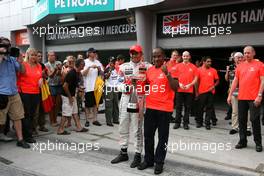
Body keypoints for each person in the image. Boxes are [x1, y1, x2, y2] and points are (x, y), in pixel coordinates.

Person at [137, 47, 178, 174]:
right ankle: (149, 160)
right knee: (148, 136)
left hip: (165, 110)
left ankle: (159, 162)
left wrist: (167, 74)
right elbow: (143, 87)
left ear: (163, 56)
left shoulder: (171, 68)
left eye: (158, 56)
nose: (156, 59)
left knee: (162, 138)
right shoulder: (149, 71)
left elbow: (176, 87)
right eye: (154, 56)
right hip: (150, 108)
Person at [111, 44, 152, 168]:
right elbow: (117, 83)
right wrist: (125, 87)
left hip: (139, 99)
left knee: (137, 128)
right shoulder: (123, 67)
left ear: (141, 54)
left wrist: (140, 88)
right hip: (125, 98)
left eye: (136, 53)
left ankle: (138, 154)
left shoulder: (147, 67)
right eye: (132, 53)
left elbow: (151, 85)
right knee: (123, 125)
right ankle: (123, 152)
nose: (134, 55)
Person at [227, 46, 264, 152]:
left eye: (248, 53)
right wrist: (230, 95)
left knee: (254, 120)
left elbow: (263, 81)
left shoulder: (260, 65)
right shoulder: (240, 66)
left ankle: (258, 143)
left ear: (253, 53)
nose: (246, 55)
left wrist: (260, 95)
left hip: (254, 98)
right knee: (241, 120)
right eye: (245, 53)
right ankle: (242, 141)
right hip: (241, 97)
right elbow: (235, 81)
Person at [0, 37, 30, 148]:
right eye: (4, 45)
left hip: (14, 93)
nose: (7, 47)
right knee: (1, 121)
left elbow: (22, 71)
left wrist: (21, 61)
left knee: (18, 117)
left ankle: (20, 139)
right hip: (1, 94)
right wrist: (1, 54)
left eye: (8, 45)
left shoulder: (12, 59)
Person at [18, 48, 43, 143]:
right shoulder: (23, 65)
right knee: (26, 114)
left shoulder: (39, 66)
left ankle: (28, 132)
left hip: (35, 92)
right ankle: (27, 136)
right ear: (27, 55)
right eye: (32, 55)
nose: (34, 57)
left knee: (32, 114)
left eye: (35, 55)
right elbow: (18, 76)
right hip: (24, 92)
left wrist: (41, 80)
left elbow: (40, 77)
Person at [57, 59, 88, 135]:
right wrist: (70, 97)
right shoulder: (72, 73)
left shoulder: (77, 73)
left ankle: (79, 127)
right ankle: (60, 130)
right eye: (83, 64)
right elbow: (65, 86)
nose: (84, 66)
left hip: (72, 95)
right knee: (66, 113)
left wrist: (79, 88)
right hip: (67, 96)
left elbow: (73, 84)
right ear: (79, 65)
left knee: (75, 112)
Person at [226, 52, 251, 135]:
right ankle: (235, 127)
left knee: (246, 112)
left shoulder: (246, 66)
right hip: (234, 93)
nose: (239, 59)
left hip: (245, 93)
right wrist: (227, 71)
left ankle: (247, 128)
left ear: (243, 58)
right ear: (234, 59)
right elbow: (228, 79)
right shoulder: (231, 67)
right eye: (237, 57)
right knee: (235, 111)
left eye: (241, 57)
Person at [172, 51, 198, 130]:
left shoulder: (193, 67)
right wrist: (179, 84)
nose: (185, 57)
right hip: (180, 90)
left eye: (187, 56)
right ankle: (177, 123)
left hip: (189, 90)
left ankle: (185, 123)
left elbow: (196, 78)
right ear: (182, 57)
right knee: (178, 107)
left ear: (189, 57)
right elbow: (174, 78)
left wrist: (190, 85)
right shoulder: (178, 66)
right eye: (184, 56)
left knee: (187, 108)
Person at [81, 48, 104, 127]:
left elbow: (102, 73)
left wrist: (99, 68)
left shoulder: (98, 62)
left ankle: (95, 119)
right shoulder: (85, 62)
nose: (95, 54)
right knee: (87, 105)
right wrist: (89, 67)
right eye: (93, 52)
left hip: (97, 86)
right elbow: (83, 74)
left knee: (96, 104)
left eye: (95, 52)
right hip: (88, 86)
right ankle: (87, 120)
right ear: (89, 53)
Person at [196, 56, 219, 130]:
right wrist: (196, 92)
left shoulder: (213, 70)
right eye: (208, 61)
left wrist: (214, 86)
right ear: (204, 62)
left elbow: (217, 81)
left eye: (210, 61)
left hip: (210, 92)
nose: (210, 63)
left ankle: (207, 123)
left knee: (209, 108)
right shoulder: (198, 70)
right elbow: (196, 82)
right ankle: (199, 122)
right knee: (200, 108)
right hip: (202, 92)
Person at [45, 51, 62, 127]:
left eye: (53, 55)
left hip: (59, 85)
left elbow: (60, 74)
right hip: (51, 85)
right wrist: (55, 69)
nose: (52, 57)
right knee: (52, 105)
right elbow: (50, 76)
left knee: (57, 104)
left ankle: (55, 119)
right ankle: (52, 120)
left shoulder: (59, 62)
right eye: (51, 55)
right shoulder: (46, 64)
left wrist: (59, 70)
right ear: (48, 56)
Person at [33, 51, 49, 133]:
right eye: (38, 56)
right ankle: (33, 128)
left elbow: (46, 77)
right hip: (33, 90)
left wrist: (43, 75)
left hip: (42, 90)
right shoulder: (31, 65)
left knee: (42, 109)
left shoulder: (42, 65)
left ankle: (42, 125)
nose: (40, 57)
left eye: (41, 56)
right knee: (35, 110)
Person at [104, 57, 119, 126]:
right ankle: (109, 121)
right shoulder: (107, 69)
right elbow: (106, 77)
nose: (112, 63)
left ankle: (115, 119)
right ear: (109, 62)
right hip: (109, 88)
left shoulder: (117, 70)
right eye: (111, 62)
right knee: (109, 105)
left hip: (115, 88)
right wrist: (109, 70)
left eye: (113, 62)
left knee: (115, 104)